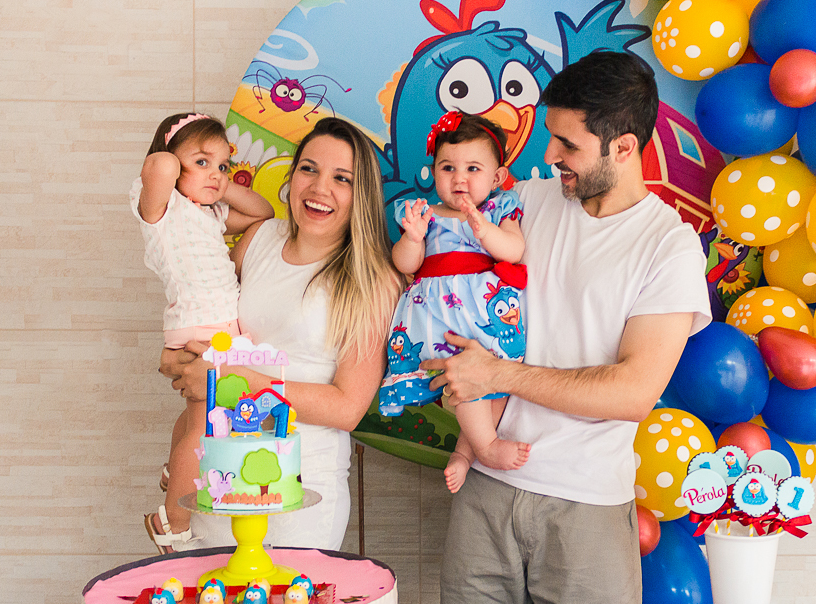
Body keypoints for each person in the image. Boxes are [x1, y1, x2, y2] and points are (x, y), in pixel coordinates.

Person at [424, 52, 712, 604]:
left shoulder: (666, 246)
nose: (548, 156)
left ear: (624, 148)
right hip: (489, 484)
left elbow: (631, 392)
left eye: (568, 145)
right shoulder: (535, 198)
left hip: (586, 500)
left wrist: (499, 373)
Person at [157, 117, 403, 550]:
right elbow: (211, 317)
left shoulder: (372, 280)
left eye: (341, 178)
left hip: (302, 496)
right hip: (219, 481)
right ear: (291, 176)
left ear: (361, 195)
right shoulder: (257, 238)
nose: (319, 188)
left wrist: (234, 381)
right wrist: (181, 356)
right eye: (309, 169)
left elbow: (347, 408)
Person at [133, 112, 275, 554]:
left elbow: (264, 213)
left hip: (216, 329)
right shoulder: (161, 208)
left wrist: (217, 182)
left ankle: (170, 470)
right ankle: (171, 521)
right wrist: (179, 162)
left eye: (223, 164)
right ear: (174, 164)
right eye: (201, 161)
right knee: (204, 429)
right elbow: (158, 167)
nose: (215, 173)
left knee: (196, 417)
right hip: (200, 327)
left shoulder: (209, 213)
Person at [380, 111, 530, 494]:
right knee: (465, 381)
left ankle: (466, 452)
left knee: (492, 389)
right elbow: (406, 266)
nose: (459, 178)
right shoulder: (423, 214)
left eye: (473, 168)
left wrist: (486, 232)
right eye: (448, 167)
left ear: (496, 178)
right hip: (440, 317)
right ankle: (486, 446)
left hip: (484, 312)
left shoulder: (500, 210)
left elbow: (514, 250)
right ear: (433, 171)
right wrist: (412, 239)